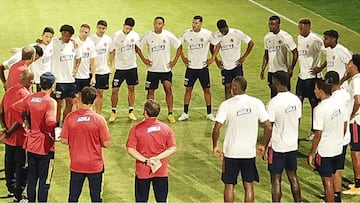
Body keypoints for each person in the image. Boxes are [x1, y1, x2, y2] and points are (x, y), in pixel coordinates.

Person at [212, 76, 272, 202]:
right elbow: (268, 126)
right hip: (248, 152)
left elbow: (217, 128)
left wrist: (215, 146)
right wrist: (263, 145)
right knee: (248, 185)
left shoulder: (226, 105)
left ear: (234, 87)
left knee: (229, 185)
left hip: (231, 152)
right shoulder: (256, 103)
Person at [10, 72, 57, 202]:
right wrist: (53, 133)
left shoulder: (30, 98)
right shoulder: (50, 102)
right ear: (52, 85)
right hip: (45, 145)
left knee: (32, 178)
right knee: (44, 179)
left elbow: (14, 108)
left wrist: (25, 123)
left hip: (30, 144)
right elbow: (50, 122)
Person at [61, 86, 111, 202]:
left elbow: (64, 140)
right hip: (95, 165)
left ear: (81, 98)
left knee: (73, 198)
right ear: (94, 101)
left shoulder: (70, 118)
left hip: (77, 164)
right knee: (96, 198)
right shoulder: (99, 119)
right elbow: (107, 143)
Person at [258, 71, 302, 202]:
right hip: (292, 145)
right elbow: (297, 121)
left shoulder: (273, 103)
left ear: (277, 83)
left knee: (276, 180)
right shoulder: (296, 100)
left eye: (272, 83)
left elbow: (269, 127)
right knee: (293, 176)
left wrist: (264, 146)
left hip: (277, 146)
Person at [126, 99, 177, 202]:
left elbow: (130, 149)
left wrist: (146, 160)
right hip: (161, 170)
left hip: (142, 171)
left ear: (145, 112)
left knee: (141, 200)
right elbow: (172, 148)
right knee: (162, 200)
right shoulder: (166, 128)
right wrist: (157, 157)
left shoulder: (136, 129)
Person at [307, 79, 347, 202]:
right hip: (338, 147)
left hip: (325, 151)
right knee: (335, 173)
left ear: (321, 91)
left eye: (315, 89)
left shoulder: (319, 110)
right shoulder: (340, 104)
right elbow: (345, 124)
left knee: (327, 181)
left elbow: (318, 134)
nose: (314, 91)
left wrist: (312, 153)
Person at [137, 16, 182, 123]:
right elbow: (137, 47)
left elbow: (179, 46)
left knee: (168, 89)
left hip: (165, 69)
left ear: (163, 25)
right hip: (152, 70)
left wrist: (174, 61)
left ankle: (170, 113)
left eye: (160, 24)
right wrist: (144, 59)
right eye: (156, 23)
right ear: (153, 24)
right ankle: (148, 115)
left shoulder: (168, 35)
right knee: (150, 92)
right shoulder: (148, 35)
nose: (157, 25)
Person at [0, 70, 34, 201]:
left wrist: (4, 127)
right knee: (21, 166)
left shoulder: (9, 91)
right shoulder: (25, 95)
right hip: (20, 137)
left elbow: (1, 110)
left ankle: (10, 188)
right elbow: (21, 118)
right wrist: (9, 131)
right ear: (30, 82)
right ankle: (18, 196)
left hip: (8, 137)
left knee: (9, 163)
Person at [177, 15, 218, 121]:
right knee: (188, 89)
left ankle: (209, 113)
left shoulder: (207, 34)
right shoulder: (187, 33)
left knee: (206, 90)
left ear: (201, 23)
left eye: (196, 23)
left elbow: (217, 44)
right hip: (191, 68)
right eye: (193, 22)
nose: (194, 25)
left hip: (203, 68)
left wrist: (213, 58)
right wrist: (183, 57)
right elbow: (178, 44)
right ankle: (185, 113)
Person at [325, 71, 351, 201]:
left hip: (336, 138)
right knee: (338, 168)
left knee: (331, 170)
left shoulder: (334, 99)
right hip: (345, 136)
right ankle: (337, 195)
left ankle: (333, 195)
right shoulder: (345, 93)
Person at [296, 18, 324, 141]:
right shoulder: (299, 37)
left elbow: (328, 52)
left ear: (308, 27)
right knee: (297, 104)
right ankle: (294, 130)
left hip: (312, 78)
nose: (300, 30)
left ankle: (314, 131)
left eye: (302, 28)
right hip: (301, 77)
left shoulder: (316, 40)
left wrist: (321, 67)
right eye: (299, 28)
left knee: (314, 106)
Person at [211, 19, 254, 99]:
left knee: (239, 88)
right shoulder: (216, 35)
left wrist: (243, 57)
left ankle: (240, 106)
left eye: (224, 30)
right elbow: (211, 46)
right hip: (225, 67)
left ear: (227, 27)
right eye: (221, 31)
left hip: (236, 66)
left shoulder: (236, 33)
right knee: (227, 88)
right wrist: (216, 60)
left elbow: (251, 43)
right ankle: (229, 107)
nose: (222, 32)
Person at [109, 17, 140, 121]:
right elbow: (112, 51)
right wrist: (112, 64)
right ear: (123, 25)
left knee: (131, 88)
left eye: (130, 29)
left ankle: (131, 111)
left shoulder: (135, 36)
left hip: (132, 67)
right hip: (120, 68)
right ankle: (113, 112)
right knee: (115, 90)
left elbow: (137, 48)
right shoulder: (116, 36)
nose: (128, 30)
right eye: (127, 28)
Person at [260, 15, 298, 98]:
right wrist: (263, 69)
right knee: (273, 96)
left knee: (285, 96)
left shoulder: (286, 37)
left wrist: (291, 68)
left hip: (283, 71)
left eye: (273, 24)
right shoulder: (267, 37)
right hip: (271, 71)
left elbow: (295, 53)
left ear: (278, 25)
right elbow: (266, 54)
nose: (270, 26)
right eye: (269, 24)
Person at [51, 24, 81, 126]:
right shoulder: (55, 42)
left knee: (70, 103)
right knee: (58, 104)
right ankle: (56, 125)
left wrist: (76, 69)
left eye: (67, 35)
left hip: (70, 80)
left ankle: (64, 123)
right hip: (58, 80)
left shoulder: (74, 45)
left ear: (71, 36)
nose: (64, 36)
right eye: (63, 34)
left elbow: (78, 57)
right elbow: (44, 42)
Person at [342, 54, 360, 195]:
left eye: (349, 63)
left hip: (356, 122)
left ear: (354, 65)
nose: (347, 65)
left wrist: (351, 114)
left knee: (355, 152)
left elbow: (358, 100)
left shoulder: (356, 81)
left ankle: (358, 185)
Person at [89, 20, 112, 114]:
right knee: (91, 94)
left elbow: (112, 51)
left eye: (103, 28)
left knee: (100, 93)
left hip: (103, 71)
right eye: (100, 28)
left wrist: (112, 66)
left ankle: (98, 114)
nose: (101, 30)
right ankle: (91, 113)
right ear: (96, 27)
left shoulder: (108, 39)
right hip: (91, 71)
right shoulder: (90, 39)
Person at [74, 24, 96, 93]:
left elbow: (93, 61)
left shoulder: (91, 44)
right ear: (79, 31)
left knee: (84, 99)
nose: (84, 33)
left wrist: (93, 77)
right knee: (74, 98)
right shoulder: (73, 41)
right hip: (74, 76)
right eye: (82, 31)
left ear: (89, 33)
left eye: (86, 32)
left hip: (85, 76)